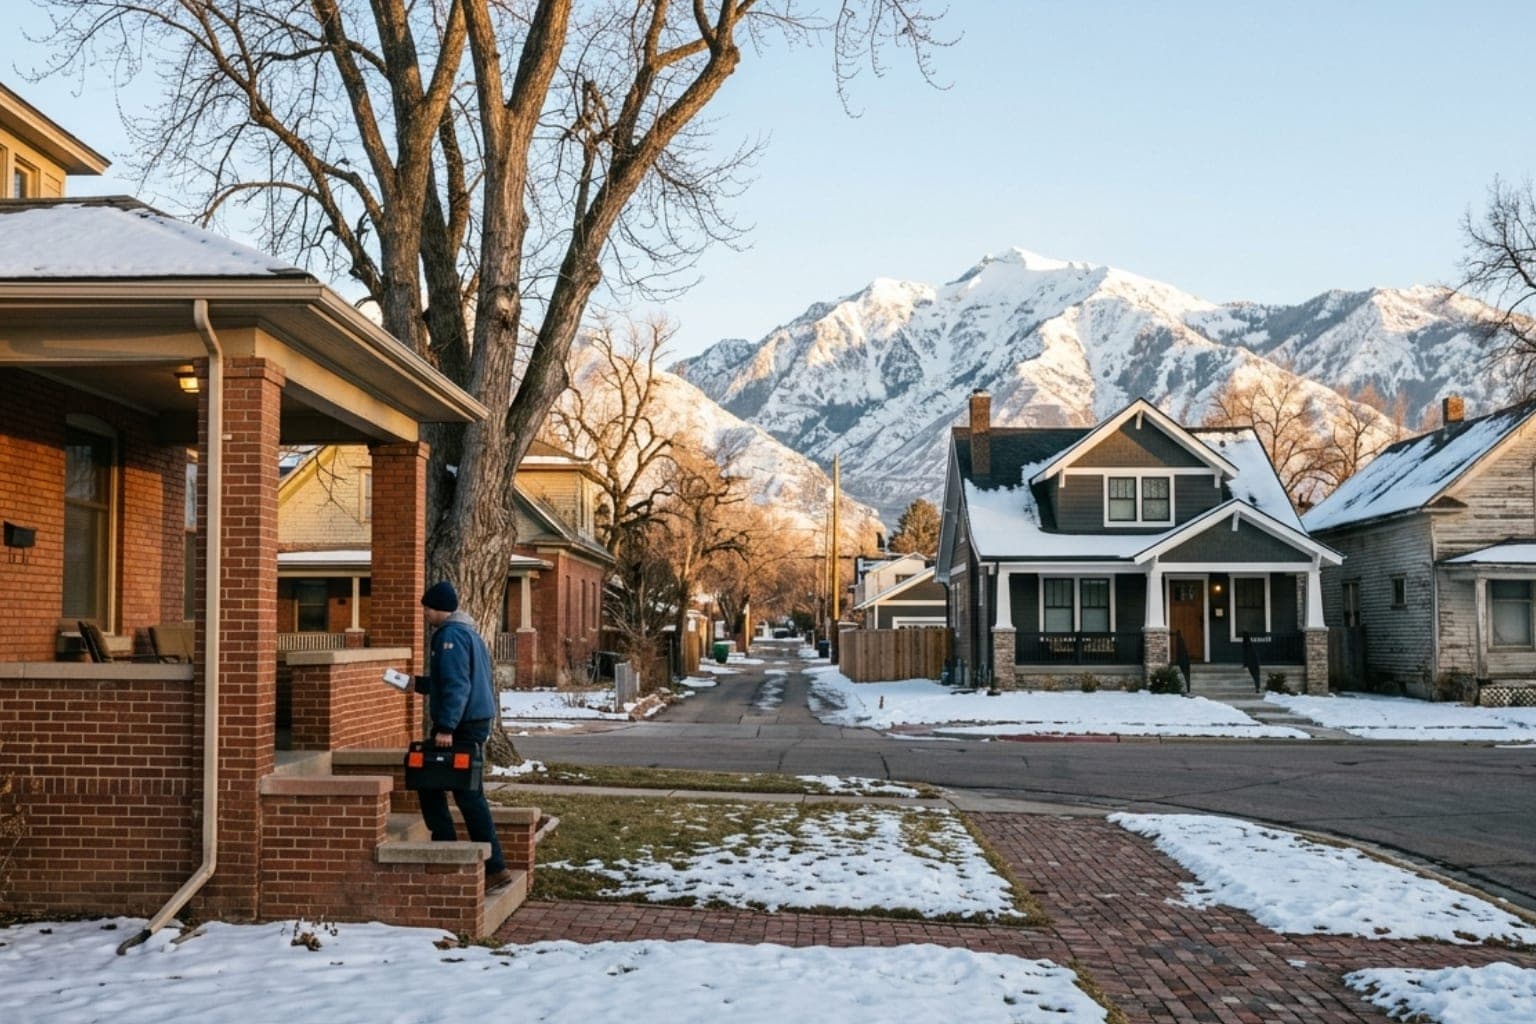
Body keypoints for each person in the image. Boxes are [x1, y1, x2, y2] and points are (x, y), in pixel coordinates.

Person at [415, 580, 513, 890]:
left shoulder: (451, 637)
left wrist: (446, 728)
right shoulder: (469, 634)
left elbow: (458, 685)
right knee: (452, 789)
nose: (425, 614)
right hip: (472, 721)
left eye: (427, 609)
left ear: (438, 608)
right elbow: (451, 681)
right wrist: (415, 684)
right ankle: (469, 856)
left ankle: (485, 863)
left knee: (458, 792)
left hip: (461, 726)